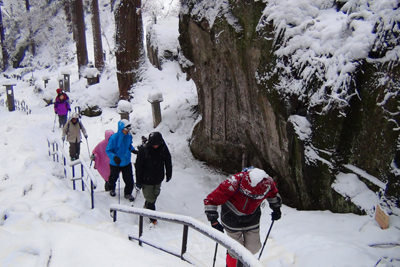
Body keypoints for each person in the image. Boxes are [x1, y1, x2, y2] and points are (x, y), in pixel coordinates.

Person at [204, 167, 282, 267]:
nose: (255, 198)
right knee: (235, 250)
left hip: (252, 219)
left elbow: (272, 194)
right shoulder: (233, 183)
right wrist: (213, 221)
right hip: (231, 219)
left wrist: (276, 208)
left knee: (254, 248)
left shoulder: (267, 183)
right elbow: (211, 200)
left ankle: (243, 263)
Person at [135, 132, 172, 225]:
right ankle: (152, 218)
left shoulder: (162, 147)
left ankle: (147, 205)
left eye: (157, 144)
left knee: (155, 194)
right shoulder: (143, 151)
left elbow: (167, 159)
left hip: (158, 177)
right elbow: (139, 167)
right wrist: (138, 182)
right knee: (150, 198)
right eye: (154, 144)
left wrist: (169, 173)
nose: (156, 146)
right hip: (146, 179)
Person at [106, 119, 137, 201]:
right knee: (113, 177)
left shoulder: (129, 136)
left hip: (126, 162)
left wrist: (133, 150)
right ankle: (111, 188)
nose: (128, 131)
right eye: (126, 129)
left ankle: (128, 193)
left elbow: (129, 145)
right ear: (121, 128)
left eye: (129, 129)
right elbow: (108, 150)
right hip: (115, 163)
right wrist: (114, 157)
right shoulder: (114, 138)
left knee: (129, 179)